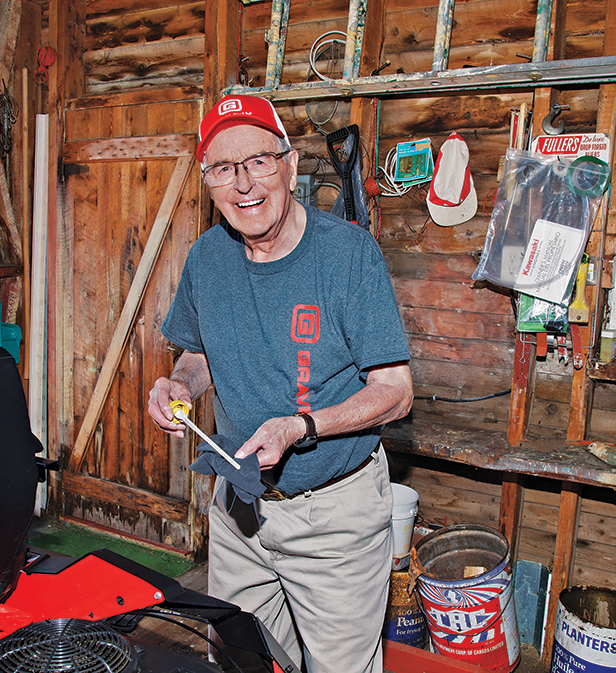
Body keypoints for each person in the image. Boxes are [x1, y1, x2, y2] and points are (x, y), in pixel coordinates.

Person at [147, 94, 413, 673]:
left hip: (333, 517)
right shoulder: (205, 259)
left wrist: (303, 426)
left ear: (290, 166)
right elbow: (199, 354)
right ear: (208, 183)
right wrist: (181, 385)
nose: (243, 183)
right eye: (222, 168)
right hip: (238, 509)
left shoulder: (348, 255)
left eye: (259, 161)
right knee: (242, 658)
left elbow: (395, 390)